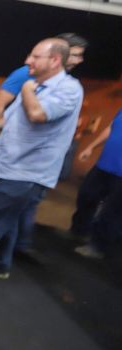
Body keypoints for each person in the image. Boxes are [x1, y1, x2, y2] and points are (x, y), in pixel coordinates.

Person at [0, 38, 82, 280]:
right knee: (7, 218)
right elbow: (7, 121)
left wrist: (28, 90)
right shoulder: (34, 85)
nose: (27, 61)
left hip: (28, 172)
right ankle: (0, 264)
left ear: (54, 61)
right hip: (6, 165)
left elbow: (38, 114)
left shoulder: (67, 89)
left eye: (34, 57)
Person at [71, 108, 122, 259]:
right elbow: (110, 128)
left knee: (112, 211)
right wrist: (91, 147)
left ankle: (97, 246)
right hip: (104, 165)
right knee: (86, 196)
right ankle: (79, 231)